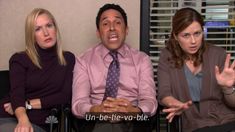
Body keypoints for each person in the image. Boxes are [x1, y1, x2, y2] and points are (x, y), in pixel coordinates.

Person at [72, 3, 157, 132]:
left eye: (117, 22)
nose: (112, 28)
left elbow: (149, 101)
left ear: (126, 29)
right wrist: (97, 110)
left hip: (132, 119)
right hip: (95, 119)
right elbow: (79, 103)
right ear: (98, 32)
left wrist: (134, 111)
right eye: (105, 24)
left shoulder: (142, 60)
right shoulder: (83, 61)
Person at [157, 7, 235, 132]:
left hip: (226, 121)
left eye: (197, 34)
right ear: (176, 36)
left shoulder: (218, 54)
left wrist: (227, 88)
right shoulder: (167, 57)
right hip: (192, 123)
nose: (193, 41)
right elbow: (164, 94)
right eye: (186, 35)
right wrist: (175, 104)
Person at [0, 8, 75, 132]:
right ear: (32, 36)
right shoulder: (19, 59)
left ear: (55, 29)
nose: (46, 33)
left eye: (49, 26)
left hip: (40, 122)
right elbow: (17, 94)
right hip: (8, 117)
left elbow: (65, 96)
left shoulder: (68, 59)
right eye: (38, 29)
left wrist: (27, 104)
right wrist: (23, 119)